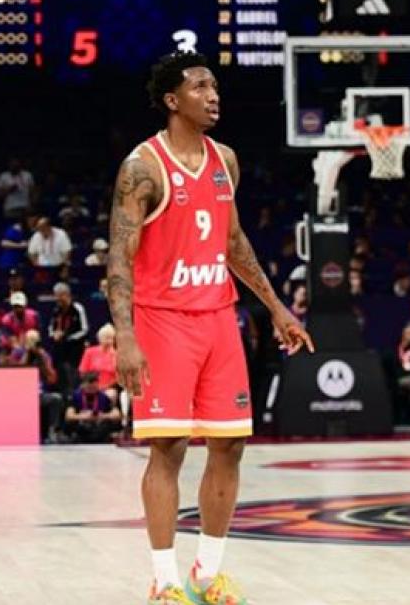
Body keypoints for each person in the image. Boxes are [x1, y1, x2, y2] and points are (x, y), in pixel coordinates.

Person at [107, 51, 313, 603]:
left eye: (215, 86)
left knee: (230, 444)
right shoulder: (142, 167)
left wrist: (275, 307)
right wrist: (125, 335)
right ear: (172, 100)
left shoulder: (226, 159)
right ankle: (164, 581)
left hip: (219, 317)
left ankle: (206, 574)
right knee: (169, 447)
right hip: (162, 320)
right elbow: (120, 257)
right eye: (199, 86)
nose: (213, 95)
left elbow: (233, 241)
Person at [63, 372, 123, 443]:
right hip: (81, 425)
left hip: (98, 425)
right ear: (83, 385)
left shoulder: (103, 397)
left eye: (94, 387)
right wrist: (83, 416)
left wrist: (101, 416)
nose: (92, 390)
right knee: (70, 424)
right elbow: (68, 416)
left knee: (111, 424)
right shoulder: (76, 397)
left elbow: (117, 414)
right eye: (89, 388)